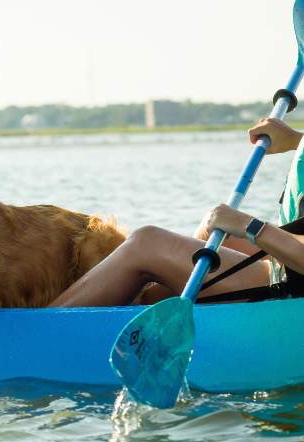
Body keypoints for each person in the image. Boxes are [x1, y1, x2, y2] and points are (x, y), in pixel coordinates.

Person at [49, 118, 304, 307]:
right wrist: (296, 140)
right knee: (211, 228)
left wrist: (251, 227)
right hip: (289, 260)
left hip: (292, 282)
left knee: (147, 244)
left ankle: (39, 334)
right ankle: (142, 308)